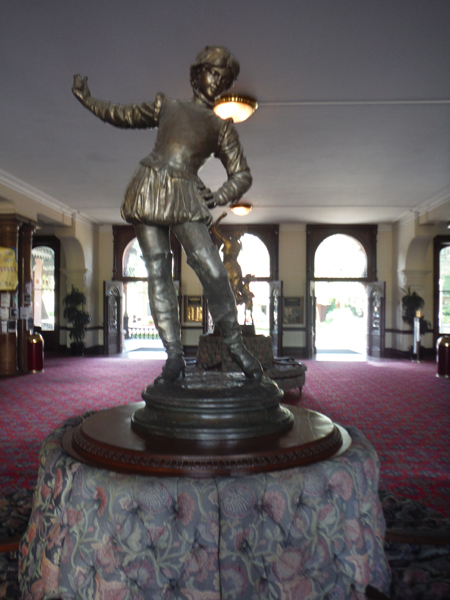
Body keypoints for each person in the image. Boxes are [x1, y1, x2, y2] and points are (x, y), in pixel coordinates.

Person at [72, 46, 263, 384]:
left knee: (212, 268)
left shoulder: (221, 127)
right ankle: (173, 355)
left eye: (223, 78)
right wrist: (88, 100)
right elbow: (124, 114)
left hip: (186, 193)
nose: (216, 82)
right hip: (148, 187)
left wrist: (219, 196)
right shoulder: (168, 106)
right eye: (212, 73)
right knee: (158, 269)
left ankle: (233, 342)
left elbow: (242, 174)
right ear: (197, 73)